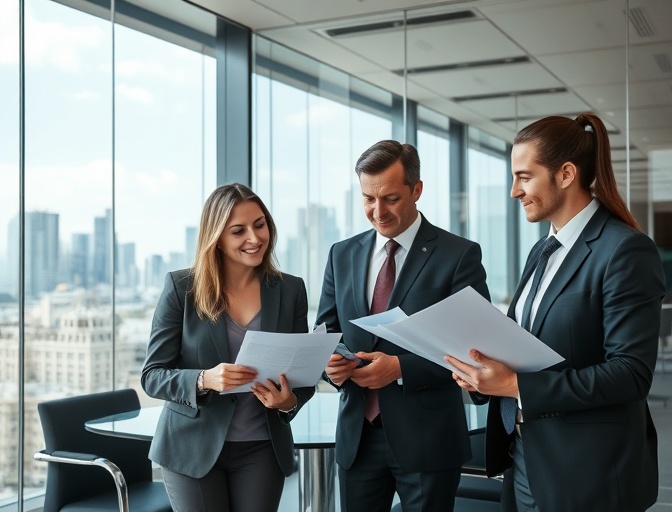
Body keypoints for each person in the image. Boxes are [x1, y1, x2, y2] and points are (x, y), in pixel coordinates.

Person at [446, 113, 665, 512]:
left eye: (524, 177)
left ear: (566, 174)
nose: (514, 191)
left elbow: (630, 373)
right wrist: (483, 376)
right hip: (526, 457)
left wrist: (516, 386)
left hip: (588, 470)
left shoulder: (624, 250)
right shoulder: (542, 250)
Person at [315, 140, 490, 512]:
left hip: (428, 439)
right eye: (368, 199)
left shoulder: (458, 255)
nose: (378, 211)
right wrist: (331, 366)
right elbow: (326, 331)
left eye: (390, 198)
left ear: (416, 190)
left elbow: (476, 349)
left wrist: (399, 369)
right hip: (357, 437)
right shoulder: (341, 254)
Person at [141, 183, 315, 512]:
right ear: (217, 237)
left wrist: (288, 401)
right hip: (192, 448)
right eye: (238, 231)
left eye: (260, 225)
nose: (254, 238)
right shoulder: (182, 289)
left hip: (263, 450)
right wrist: (204, 379)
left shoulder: (290, 289)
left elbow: (300, 373)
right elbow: (152, 376)